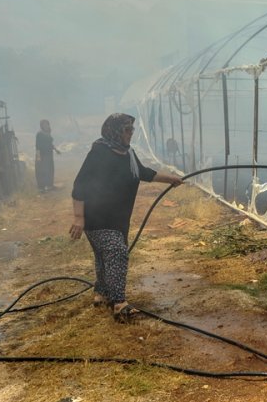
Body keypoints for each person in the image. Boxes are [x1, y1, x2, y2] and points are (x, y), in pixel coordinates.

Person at [69, 113, 183, 322]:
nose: (131, 133)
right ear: (115, 131)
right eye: (127, 130)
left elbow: (144, 173)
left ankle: (101, 294)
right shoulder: (99, 152)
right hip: (97, 217)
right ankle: (119, 304)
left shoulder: (128, 154)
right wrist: (78, 217)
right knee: (117, 252)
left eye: (132, 129)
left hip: (119, 219)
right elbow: (80, 186)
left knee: (105, 257)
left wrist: (170, 179)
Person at [35, 119, 61, 192]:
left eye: (47, 124)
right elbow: (37, 146)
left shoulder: (48, 133)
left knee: (50, 170)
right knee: (42, 171)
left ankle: (50, 185)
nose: (46, 126)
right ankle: (41, 188)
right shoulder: (39, 134)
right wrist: (38, 157)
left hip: (49, 155)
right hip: (42, 155)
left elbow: (50, 144)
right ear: (41, 126)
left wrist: (56, 150)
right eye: (44, 124)